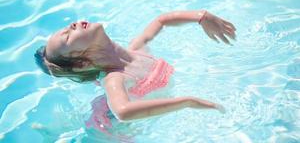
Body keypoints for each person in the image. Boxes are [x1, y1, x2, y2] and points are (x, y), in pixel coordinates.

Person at [35, 10, 236, 124]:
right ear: (81, 63)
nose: (70, 26)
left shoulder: (138, 50)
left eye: (67, 28)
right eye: (67, 37)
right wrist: (187, 101)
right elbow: (123, 111)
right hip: (115, 127)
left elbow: (161, 20)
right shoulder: (114, 79)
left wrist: (202, 17)